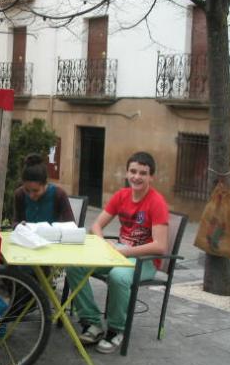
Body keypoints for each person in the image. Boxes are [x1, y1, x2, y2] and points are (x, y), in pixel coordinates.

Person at [66, 151, 169, 354]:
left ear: (151, 177)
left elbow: (160, 246)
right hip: (119, 252)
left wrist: (125, 252)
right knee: (74, 265)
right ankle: (92, 322)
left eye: (143, 173)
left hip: (144, 260)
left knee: (118, 275)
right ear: (127, 173)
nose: (137, 177)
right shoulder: (121, 196)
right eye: (133, 171)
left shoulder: (156, 202)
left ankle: (115, 329)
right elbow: (96, 225)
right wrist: (104, 244)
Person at [12, 153, 75, 226]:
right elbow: (15, 221)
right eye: (27, 190)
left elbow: (71, 225)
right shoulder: (20, 194)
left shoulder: (59, 195)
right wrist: (19, 225)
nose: (31, 195)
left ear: (45, 184)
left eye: (36, 191)